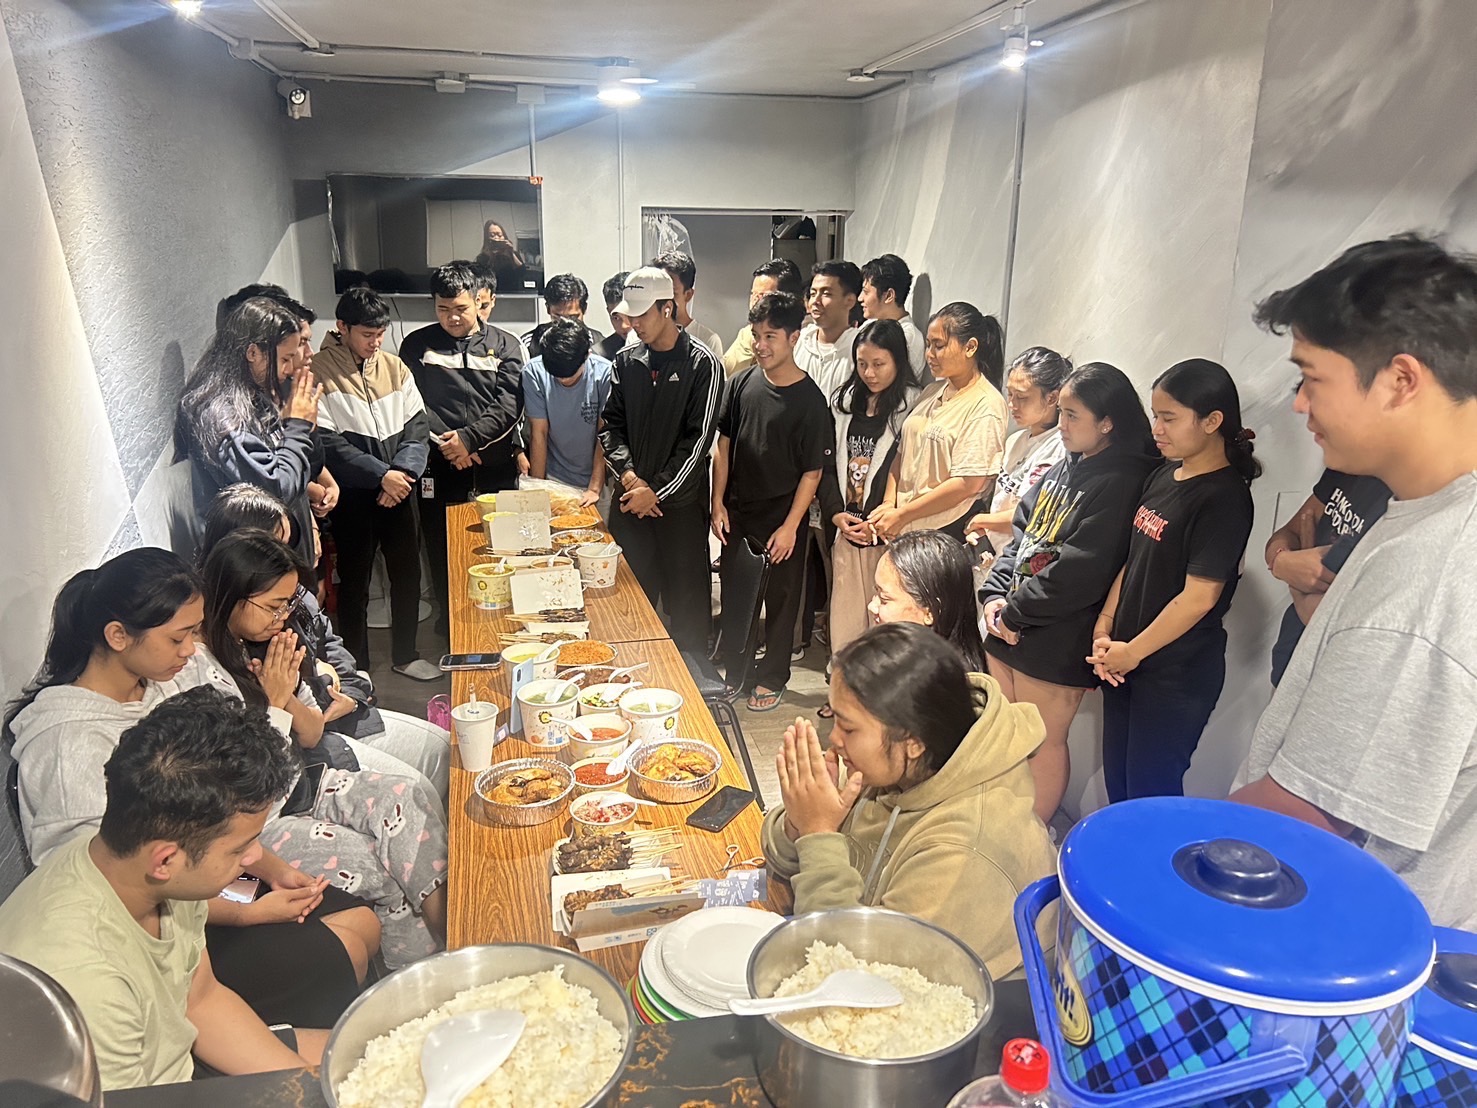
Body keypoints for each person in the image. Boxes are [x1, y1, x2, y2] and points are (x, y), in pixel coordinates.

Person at [3, 548, 379, 1033]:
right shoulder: (66, 746)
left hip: (212, 875)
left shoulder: (164, 682)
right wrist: (245, 913)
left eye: (195, 632)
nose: (191, 651)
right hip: (165, 919)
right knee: (339, 953)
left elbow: (227, 809)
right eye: (178, 637)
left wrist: (277, 871)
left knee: (362, 923)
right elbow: (114, 885)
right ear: (117, 635)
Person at [1231, 234, 1477, 930]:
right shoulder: (1426, 514)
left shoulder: (1436, 568)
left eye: (1311, 378)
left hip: (1344, 945)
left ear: (1400, 381)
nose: (1298, 405)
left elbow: (1300, 823)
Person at [0, 686, 330, 1089]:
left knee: (365, 1058)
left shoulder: (155, 871)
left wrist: (307, 1087)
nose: (254, 857)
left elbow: (201, 1000)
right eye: (239, 848)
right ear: (165, 860)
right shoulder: (84, 981)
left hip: (179, 1063)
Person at [200, 531, 449, 965]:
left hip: (301, 784)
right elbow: (249, 785)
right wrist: (273, 703)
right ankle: (415, 973)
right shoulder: (203, 674)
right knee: (380, 865)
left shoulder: (260, 642)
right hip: (255, 823)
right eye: (274, 605)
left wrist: (285, 697)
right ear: (232, 594)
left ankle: (457, 936)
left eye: (288, 604)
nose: (282, 616)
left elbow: (312, 733)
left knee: (407, 799)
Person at [761, 622, 1056, 981]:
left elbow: (852, 977)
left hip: (980, 1004)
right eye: (833, 716)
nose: (834, 739)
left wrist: (818, 832)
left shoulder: (965, 848)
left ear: (913, 741)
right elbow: (783, 857)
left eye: (848, 728)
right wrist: (801, 821)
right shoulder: (899, 766)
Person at [980, 363, 1159, 822]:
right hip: (1010, 621)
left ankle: (1031, 833)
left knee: (1041, 742)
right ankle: (1002, 824)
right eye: (1060, 412)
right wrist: (993, 597)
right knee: (1004, 734)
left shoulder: (1123, 479)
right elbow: (1022, 535)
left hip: (1057, 633)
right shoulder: (1066, 463)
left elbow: (1083, 569)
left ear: (1108, 422)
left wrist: (1013, 614)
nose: (1061, 424)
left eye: (1072, 415)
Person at [199, 486, 452, 802]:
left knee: (442, 750)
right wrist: (303, 691)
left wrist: (350, 694)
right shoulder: (222, 646)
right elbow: (265, 753)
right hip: (300, 761)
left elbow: (331, 646)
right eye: (270, 546)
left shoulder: (285, 598)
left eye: (287, 542)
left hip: (330, 718)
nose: (284, 556)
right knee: (417, 793)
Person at [1088, 359, 1259, 802]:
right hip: (1127, 660)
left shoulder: (1224, 497)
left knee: (1150, 797)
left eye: (1169, 418)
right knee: (1120, 790)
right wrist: (1106, 626)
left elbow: (1199, 598)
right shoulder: (1165, 474)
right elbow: (1136, 558)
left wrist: (1133, 652)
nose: (1157, 430)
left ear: (1212, 421)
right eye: (1155, 416)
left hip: (1175, 674)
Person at [711, 292, 833, 712]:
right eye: (756, 335)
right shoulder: (741, 383)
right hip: (738, 513)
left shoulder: (810, 402)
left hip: (783, 519)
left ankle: (773, 677)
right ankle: (737, 672)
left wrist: (791, 527)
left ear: (793, 337)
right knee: (736, 596)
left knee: (781, 603)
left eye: (771, 337)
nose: (760, 345)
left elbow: (812, 472)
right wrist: (717, 503)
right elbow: (723, 446)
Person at [312, 287, 436, 680]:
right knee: (355, 582)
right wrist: (381, 475)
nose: (376, 342)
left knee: (408, 575)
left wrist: (402, 475)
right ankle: (356, 667)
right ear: (342, 327)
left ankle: (406, 654)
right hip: (353, 495)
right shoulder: (318, 372)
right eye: (367, 334)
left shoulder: (395, 367)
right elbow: (327, 443)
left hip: (401, 489)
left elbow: (418, 428)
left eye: (380, 334)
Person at [598, 267, 722, 656]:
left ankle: (691, 682)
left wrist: (656, 491)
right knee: (628, 605)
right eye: (629, 314)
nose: (633, 323)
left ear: (667, 308)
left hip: (680, 510)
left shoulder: (702, 363)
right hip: (630, 504)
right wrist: (631, 479)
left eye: (642, 314)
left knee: (687, 610)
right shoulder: (626, 361)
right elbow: (610, 427)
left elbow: (698, 440)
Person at [399, 261, 524, 634]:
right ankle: (452, 623)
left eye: (460, 308)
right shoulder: (417, 345)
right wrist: (451, 442)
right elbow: (414, 402)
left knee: (501, 544)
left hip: (494, 463)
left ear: (478, 301)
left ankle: (502, 621)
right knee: (442, 546)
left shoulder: (506, 345)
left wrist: (470, 439)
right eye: (443, 309)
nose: (452, 318)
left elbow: (509, 405)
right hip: (440, 464)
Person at [174, 296, 324, 570]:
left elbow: (295, 475)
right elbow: (275, 489)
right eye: (285, 358)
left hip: (279, 552)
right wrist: (298, 426)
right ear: (252, 352)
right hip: (254, 566)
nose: (291, 368)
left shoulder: (252, 394)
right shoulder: (221, 413)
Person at [818, 320, 922, 698]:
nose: (869, 373)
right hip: (847, 528)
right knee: (846, 618)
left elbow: (904, 469)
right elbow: (826, 463)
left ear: (898, 361)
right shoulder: (844, 401)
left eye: (879, 364)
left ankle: (880, 699)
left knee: (884, 620)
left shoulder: (913, 405)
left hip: (887, 532)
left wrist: (881, 520)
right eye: (862, 363)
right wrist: (835, 513)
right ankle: (844, 692)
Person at [869, 303, 1007, 542]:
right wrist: (889, 504)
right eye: (928, 345)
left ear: (970, 347)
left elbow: (967, 484)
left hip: (944, 531)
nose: (929, 354)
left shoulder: (986, 404)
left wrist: (903, 514)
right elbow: (902, 453)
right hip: (903, 525)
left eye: (939, 346)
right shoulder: (932, 391)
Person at [214, 284, 341, 527]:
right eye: (300, 344)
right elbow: (277, 485)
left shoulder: (282, 386)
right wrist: (299, 426)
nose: (309, 353)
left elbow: (310, 465)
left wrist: (308, 425)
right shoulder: (228, 410)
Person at [1263, 468, 1391, 685]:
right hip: (1291, 657)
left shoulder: (1409, 507)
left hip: (1342, 679)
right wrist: (1281, 560)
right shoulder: (1347, 467)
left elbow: (1324, 618)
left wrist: (1295, 577)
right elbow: (1289, 532)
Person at [965, 347, 1072, 556]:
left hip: (1020, 558)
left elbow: (1031, 514)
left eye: (1021, 397)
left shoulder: (1059, 448)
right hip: (992, 553)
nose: (1012, 404)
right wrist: (984, 529)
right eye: (1010, 394)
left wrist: (981, 521)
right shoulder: (1016, 439)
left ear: (1052, 398)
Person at [522, 317, 613, 508]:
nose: (563, 380)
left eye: (570, 375)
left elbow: (604, 433)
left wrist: (594, 488)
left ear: (587, 355)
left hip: (598, 478)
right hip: (554, 477)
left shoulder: (605, 373)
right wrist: (537, 488)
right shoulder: (534, 372)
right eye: (556, 376)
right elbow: (539, 433)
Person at [867, 529, 988, 672]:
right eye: (876, 592)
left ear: (931, 612)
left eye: (884, 599)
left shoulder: (942, 682)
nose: (871, 606)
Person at [722, 258, 805, 377]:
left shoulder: (806, 337)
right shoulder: (747, 334)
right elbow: (726, 372)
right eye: (753, 295)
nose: (755, 302)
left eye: (763, 296)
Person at [795, 260, 862, 396]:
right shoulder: (799, 341)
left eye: (826, 294)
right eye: (813, 294)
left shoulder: (860, 347)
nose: (816, 301)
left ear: (849, 301)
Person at [859, 254, 928, 378]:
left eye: (866, 292)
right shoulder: (868, 325)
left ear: (889, 295)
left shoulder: (908, 337)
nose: (860, 298)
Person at [650, 251, 724, 358]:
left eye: (671, 294)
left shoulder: (707, 340)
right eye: (657, 293)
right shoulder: (639, 335)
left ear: (688, 295)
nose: (662, 302)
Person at [521, 273, 603, 361]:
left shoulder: (599, 345)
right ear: (548, 309)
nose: (565, 325)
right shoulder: (530, 344)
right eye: (558, 318)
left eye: (573, 318)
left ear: (584, 309)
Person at [475, 219, 528, 293]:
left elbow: (522, 272)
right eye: (492, 235)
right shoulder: (482, 257)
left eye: (500, 235)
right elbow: (481, 279)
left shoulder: (512, 254)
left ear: (504, 237)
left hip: (513, 294)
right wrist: (491, 255)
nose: (496, 238)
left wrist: (511, 252)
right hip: (492, 294)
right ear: (487, 238)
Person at [597, 271, 632, 362]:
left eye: (629, 315)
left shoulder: (658, 345)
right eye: (616, 318)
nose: (624, 325)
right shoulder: (600, 356)